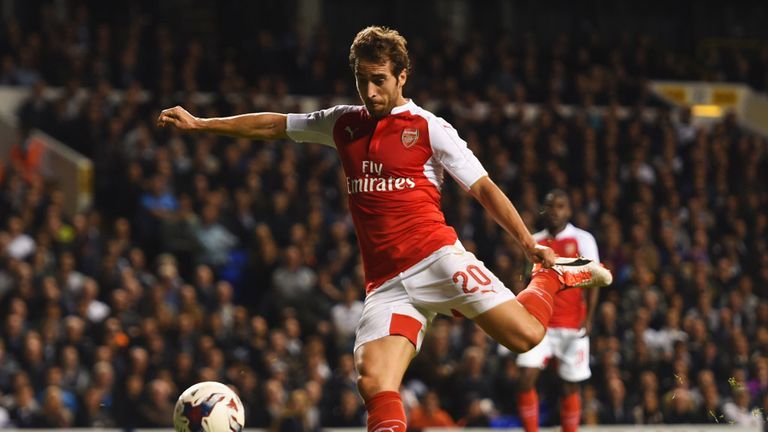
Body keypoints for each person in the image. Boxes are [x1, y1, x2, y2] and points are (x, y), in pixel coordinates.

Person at [157, 25, 612, 432]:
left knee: (527, 336)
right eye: (362, 80)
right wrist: (201, 124)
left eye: (379, 80)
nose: (370, 91)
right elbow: (276, 125)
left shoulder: (430, 128)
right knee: (373, 379)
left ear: (401, 77)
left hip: (437, 258)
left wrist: (529, 245)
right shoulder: (343, 123)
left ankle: (551, 277)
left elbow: (484, 189)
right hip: (386, 283)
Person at [514, 190, 601, 432]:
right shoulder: (534, 240)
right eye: (550, 206)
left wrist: (589, 317)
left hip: (573, 324)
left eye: (560, 206)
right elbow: (525, 280)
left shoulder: (583, 239)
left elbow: (595, 279)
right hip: (540, 323)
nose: (555, 211)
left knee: (569, 386)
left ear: (569, 210)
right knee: (525, 379)